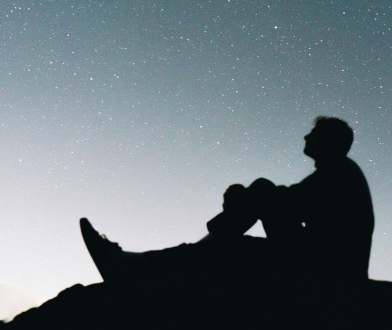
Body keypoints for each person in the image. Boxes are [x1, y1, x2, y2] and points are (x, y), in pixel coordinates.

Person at [81, 116, 374, 281]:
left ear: (329, 140)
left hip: (328, 269)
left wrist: (238, 202)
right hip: (322, 259)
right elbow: (291, 206)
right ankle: (140, 262)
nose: (305, 137)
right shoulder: (337, 172)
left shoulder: (339, 170)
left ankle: (133, 265)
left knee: (255, 195)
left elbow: (287, 203)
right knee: (236, 229)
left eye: (313, 133)